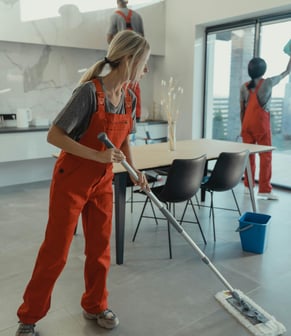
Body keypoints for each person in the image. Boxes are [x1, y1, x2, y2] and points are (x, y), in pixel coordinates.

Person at [15, 30, 150, 336]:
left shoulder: (128, 98)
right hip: (72, 180)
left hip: (102, 182)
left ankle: (95, 304)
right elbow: (55, 135)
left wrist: (132, 170)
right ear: (129, 59)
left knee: (101, 250)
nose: (146, 69)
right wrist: (97, 155)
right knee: (56, 252)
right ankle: (28, 317)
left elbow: (123, 138)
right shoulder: (89, 93)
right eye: (144, 62)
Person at [240, 55, 291, 200]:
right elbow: (286, 72)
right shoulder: (267, 83)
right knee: (265, 156)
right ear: (263, 70)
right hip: (261, 124)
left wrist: (242, 127)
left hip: (246, 125)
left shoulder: (244, 87)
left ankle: (247, 185)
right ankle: (264, 190)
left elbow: (242, 109)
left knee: (248, 155)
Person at [107, 0, 145, 121]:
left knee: (122, 85)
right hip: (138, 55)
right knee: (135, 84)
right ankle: (136, 116)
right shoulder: (138, 16)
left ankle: (122, 114)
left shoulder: (115, 15)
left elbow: (109, 38)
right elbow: (143, 40)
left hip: (123, 56)